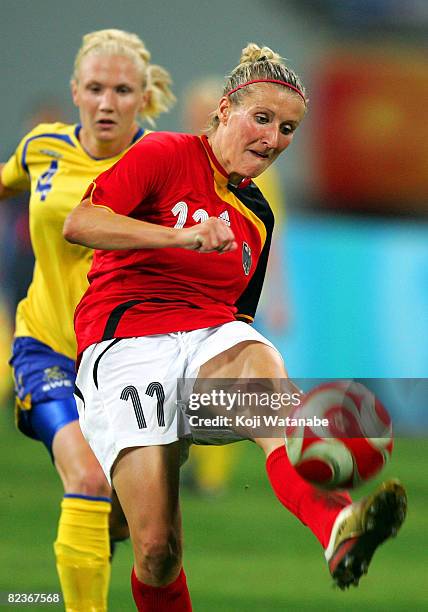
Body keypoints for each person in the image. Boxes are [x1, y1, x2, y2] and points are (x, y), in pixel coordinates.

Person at [64, 43, 407, 611]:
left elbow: (237, 316)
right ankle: (116, 510)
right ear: (225, 110)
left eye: (288, 128)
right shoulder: (164, 154)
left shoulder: (258, 216)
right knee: (155, 548)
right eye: (262, 118)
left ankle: (337, 523)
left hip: (209, 338)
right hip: (127, 343)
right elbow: (82, 222)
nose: (273, 138)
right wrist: (179, 237)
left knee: (261, 373)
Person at [0, 28, 175, 611]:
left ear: (142, 96)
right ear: (75, 90)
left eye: (122, 90)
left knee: (127, 527)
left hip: (126, 364)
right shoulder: (40, 147)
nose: (106, 102)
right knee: (88, 481)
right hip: (46, 347)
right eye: (95, 87)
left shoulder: (164, 165)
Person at [180, 75, 290, 495]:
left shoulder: (254, 174)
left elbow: (269, 239)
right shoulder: (178, 156)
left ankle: (211, 476)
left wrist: (277, 296)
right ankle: (188, 461)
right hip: (181, 293)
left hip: (230, 289)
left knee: (227, 378)